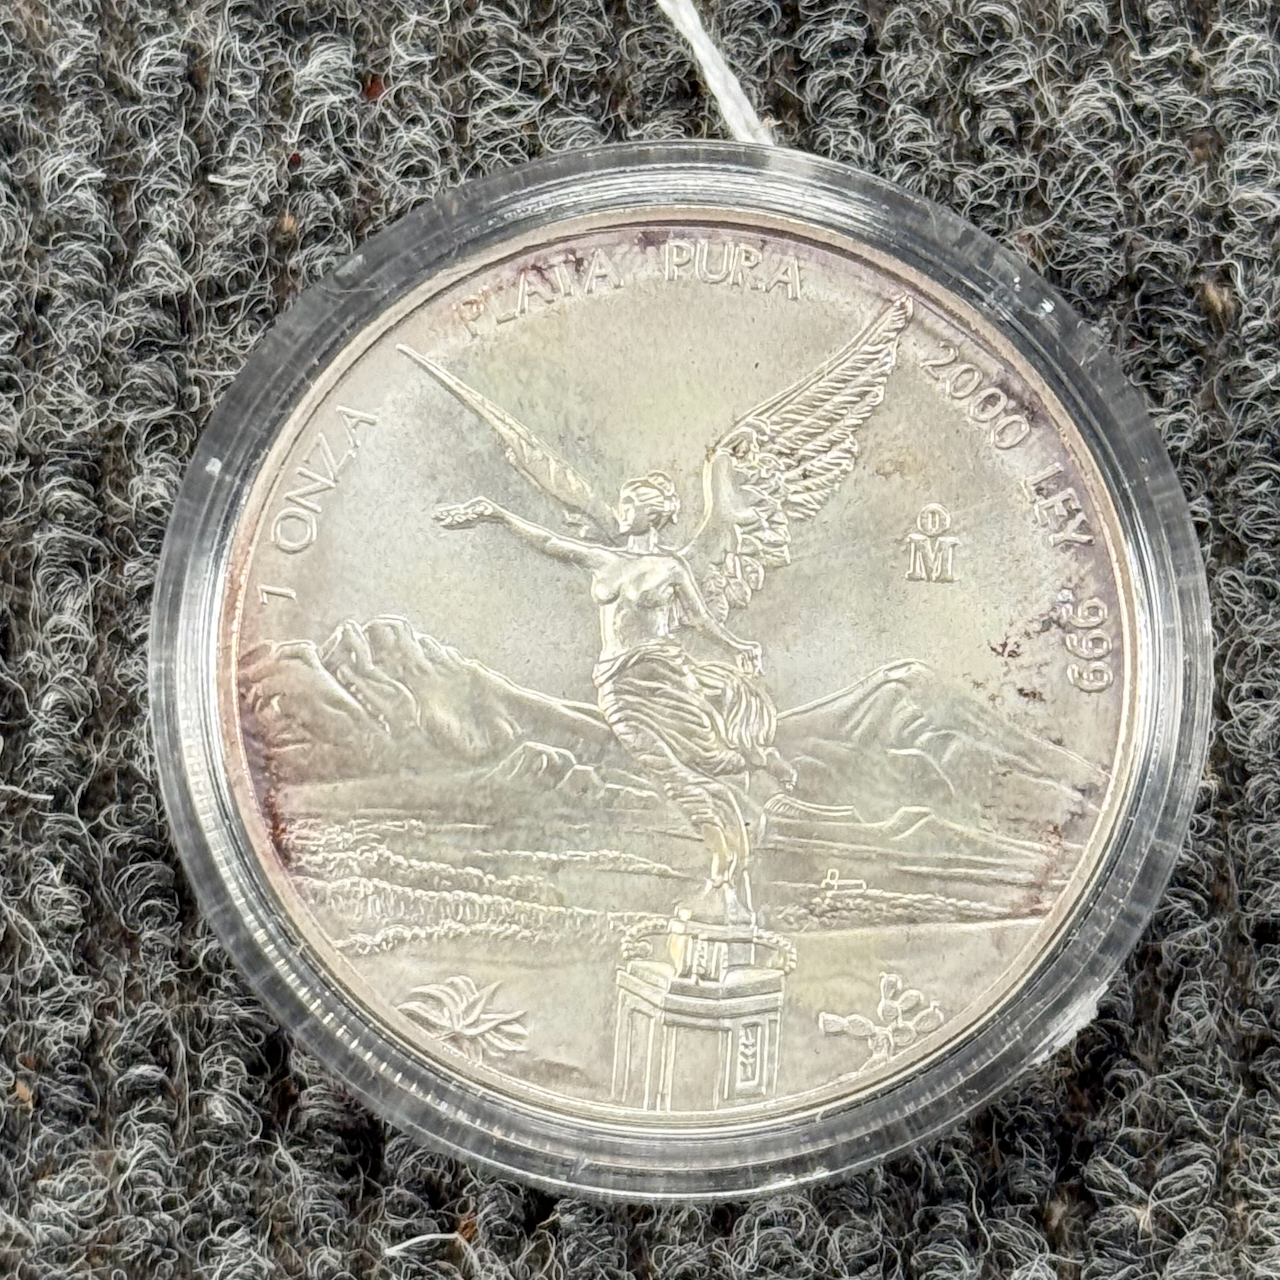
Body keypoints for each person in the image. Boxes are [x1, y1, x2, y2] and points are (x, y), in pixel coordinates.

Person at [435, 470, 790, 887]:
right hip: (616, 684)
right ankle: (722, 832)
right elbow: (549, 542)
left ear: (652, 514)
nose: (621, 512)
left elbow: (700, 619)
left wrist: (736, 646)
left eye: (630, 505)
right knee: (662, 765)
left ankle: (752, 774)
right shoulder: (603, 560)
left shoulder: (671, 568)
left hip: (662, 675)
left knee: (705, 757)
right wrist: (498, 515)